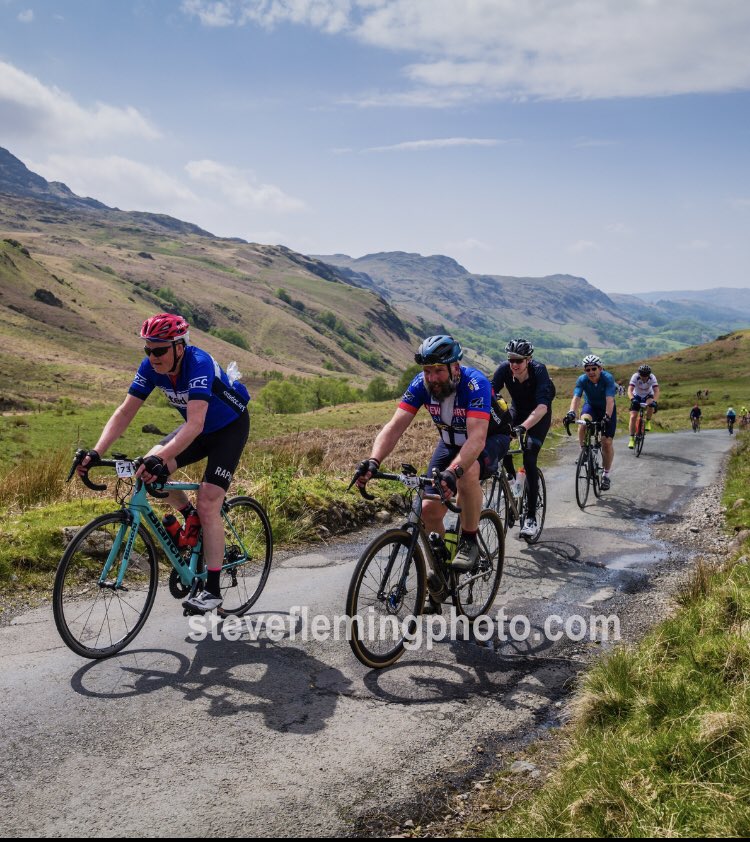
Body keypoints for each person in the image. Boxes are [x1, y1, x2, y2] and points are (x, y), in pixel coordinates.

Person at [77, 313, 250, 614]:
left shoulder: (199, 364)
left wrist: (161, 457)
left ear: (179, 347)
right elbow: (125, 412)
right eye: (148, 349)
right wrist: (96, 450)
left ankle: (212, 589)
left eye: (159, 350)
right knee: (146, 471)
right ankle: (188, 514)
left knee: (209, 500)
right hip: (197, 430)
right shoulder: (151, 368)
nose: (152, 356)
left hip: (228, 429)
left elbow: (195, 424)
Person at [355, 334, 511, 584]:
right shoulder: (421, 385)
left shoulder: (475, 384)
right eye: (427, 370)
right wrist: (373, 461)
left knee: (466, 474)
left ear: (455, 367)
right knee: (428, 510)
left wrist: (453, 471)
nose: (432, 378)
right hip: (451, 442)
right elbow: (395, 427)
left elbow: (476, 440)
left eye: (439, 370)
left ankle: (469, 540)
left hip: (490, 438)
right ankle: (441, 573)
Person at [491, 338, 555, 540]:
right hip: (517, 411)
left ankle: (530, 518)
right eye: (511, 360)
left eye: (519, 360)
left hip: (539, 414)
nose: (514, 365)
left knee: (529, 456)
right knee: (502, 445)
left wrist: (522, 427)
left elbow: (543, 407)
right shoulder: (504, 370)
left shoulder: (539, 371)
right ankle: (511, 482)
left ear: (528, 360)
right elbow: (489, 394)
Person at [565, 354, 617, 490]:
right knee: (583, 422)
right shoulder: (582, 380)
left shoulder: (608, 378)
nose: (591, 372)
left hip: (606, 409)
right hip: (591, 407)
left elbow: (610, 400)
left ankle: (606, 475)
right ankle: (584, 452)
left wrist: (607, 417)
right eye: (587, 370)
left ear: (600, 368)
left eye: (594, 369)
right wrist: (571, 412)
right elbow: (576, 397)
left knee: (606, 442)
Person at [627, 363, 660, 448]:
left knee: (650, 404)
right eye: (642, 375)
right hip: (637, 395)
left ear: (649, 375)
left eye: (646, 375)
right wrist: (632, 399)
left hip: (648, 395)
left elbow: (656, 391)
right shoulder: (635, 376)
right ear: (639, 374)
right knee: (633, 416)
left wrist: (655, 402)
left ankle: (648, 421)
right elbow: (629, 390)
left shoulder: (652, 377)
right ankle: (631, 439)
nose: (644, 377)